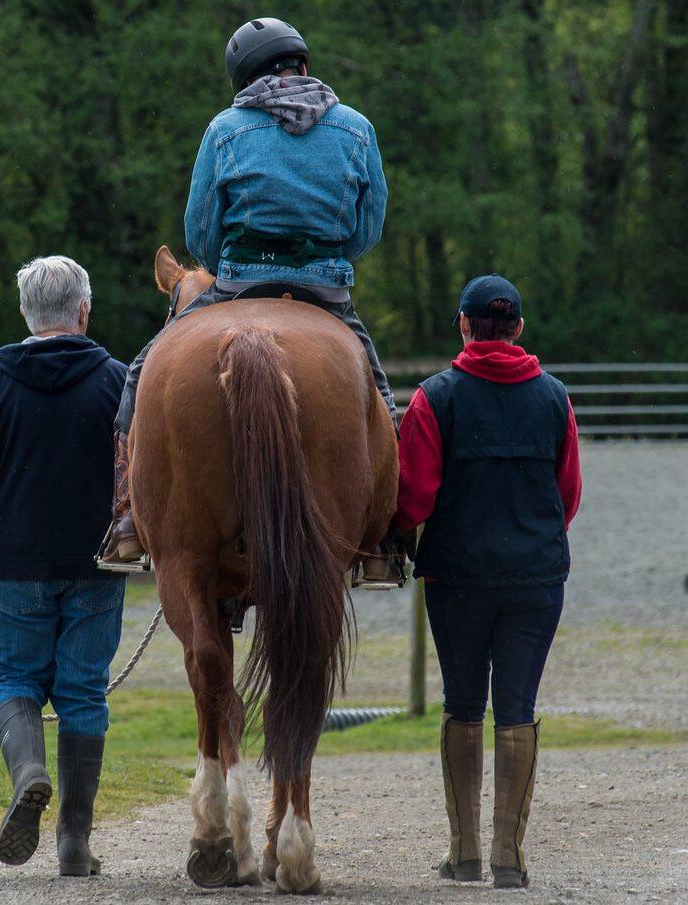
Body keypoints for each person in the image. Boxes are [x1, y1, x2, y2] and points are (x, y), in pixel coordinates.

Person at [97, 16, 395, 573]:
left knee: (139, 375)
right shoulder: (356, 127)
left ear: (244, 77)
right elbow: (369, 225)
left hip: (237, 281)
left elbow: (199, 233)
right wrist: (329, 257)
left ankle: (128, 515)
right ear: (301, 64)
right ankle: (383, 541)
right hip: (325, 290)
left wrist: (226, 262)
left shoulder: (225, 129)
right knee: (377, 393)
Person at [0, 255, 130, 877]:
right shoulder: (119, 382)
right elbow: (139, 480)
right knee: (82, 692)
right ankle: (74, 840)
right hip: (98, 566)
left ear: (25, 313)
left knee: (13, 679)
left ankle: (27, 772)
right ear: (84, 311)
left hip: (15, 567)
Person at [394, 274, 581, 889]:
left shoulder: (434, 398)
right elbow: (567, 495)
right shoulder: (554, 398)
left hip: (458, 577)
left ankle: (465, 852)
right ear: (519, 329)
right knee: (518, 708)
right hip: (535, 579)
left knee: (463, 702)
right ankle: (510, 857)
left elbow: (415, 497)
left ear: (464, 325)